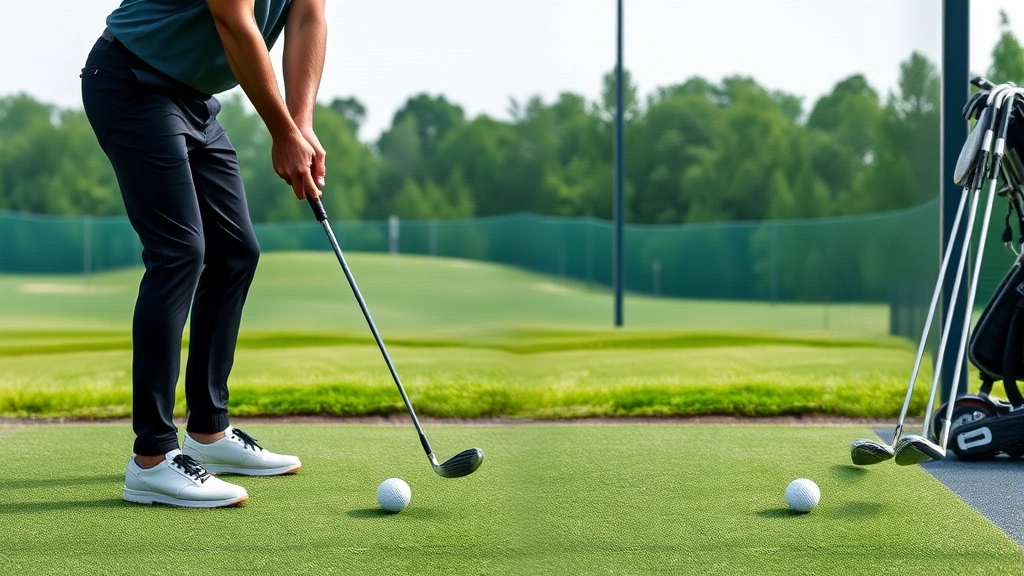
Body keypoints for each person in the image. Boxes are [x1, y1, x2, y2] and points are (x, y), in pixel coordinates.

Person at [80, 0, 327, 508]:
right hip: (131, 79)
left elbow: (307, 17)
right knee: (178, 254)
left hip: (192, 99)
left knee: (236, 252)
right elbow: (232, 19)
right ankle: (151, 458)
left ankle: (209, 434)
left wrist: (301, 122)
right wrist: (281, 131)